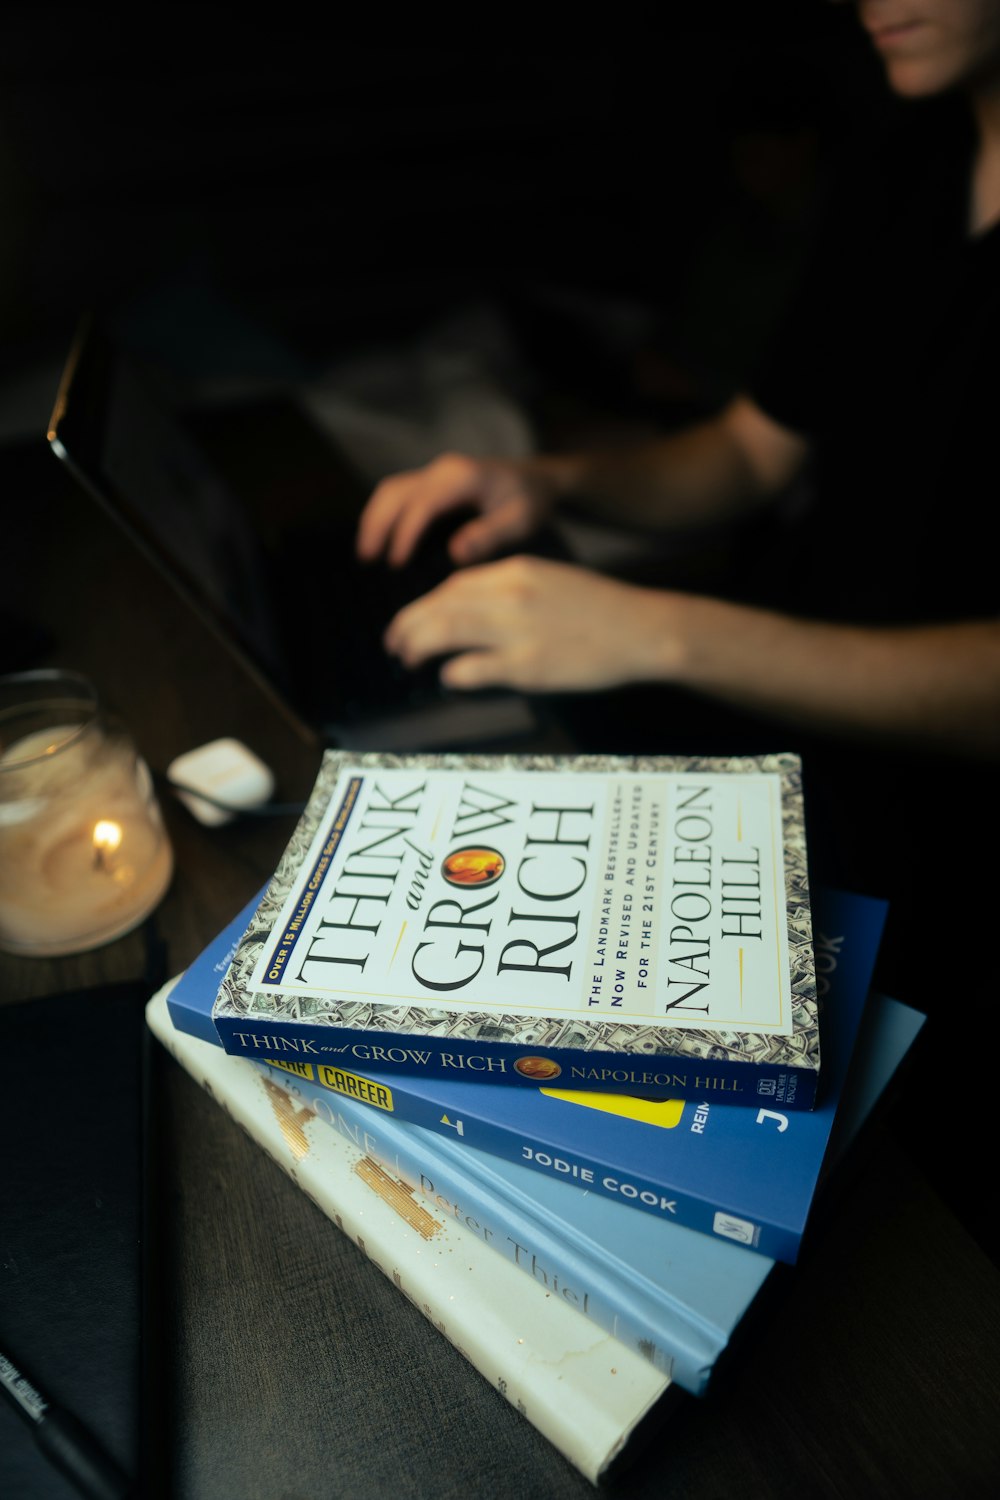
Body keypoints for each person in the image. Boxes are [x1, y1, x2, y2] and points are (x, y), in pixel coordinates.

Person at [356, 0, 1000, 768]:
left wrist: (656, 632)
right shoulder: (906, 164)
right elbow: (750, 451)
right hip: (786, 727)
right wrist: (546, 480)